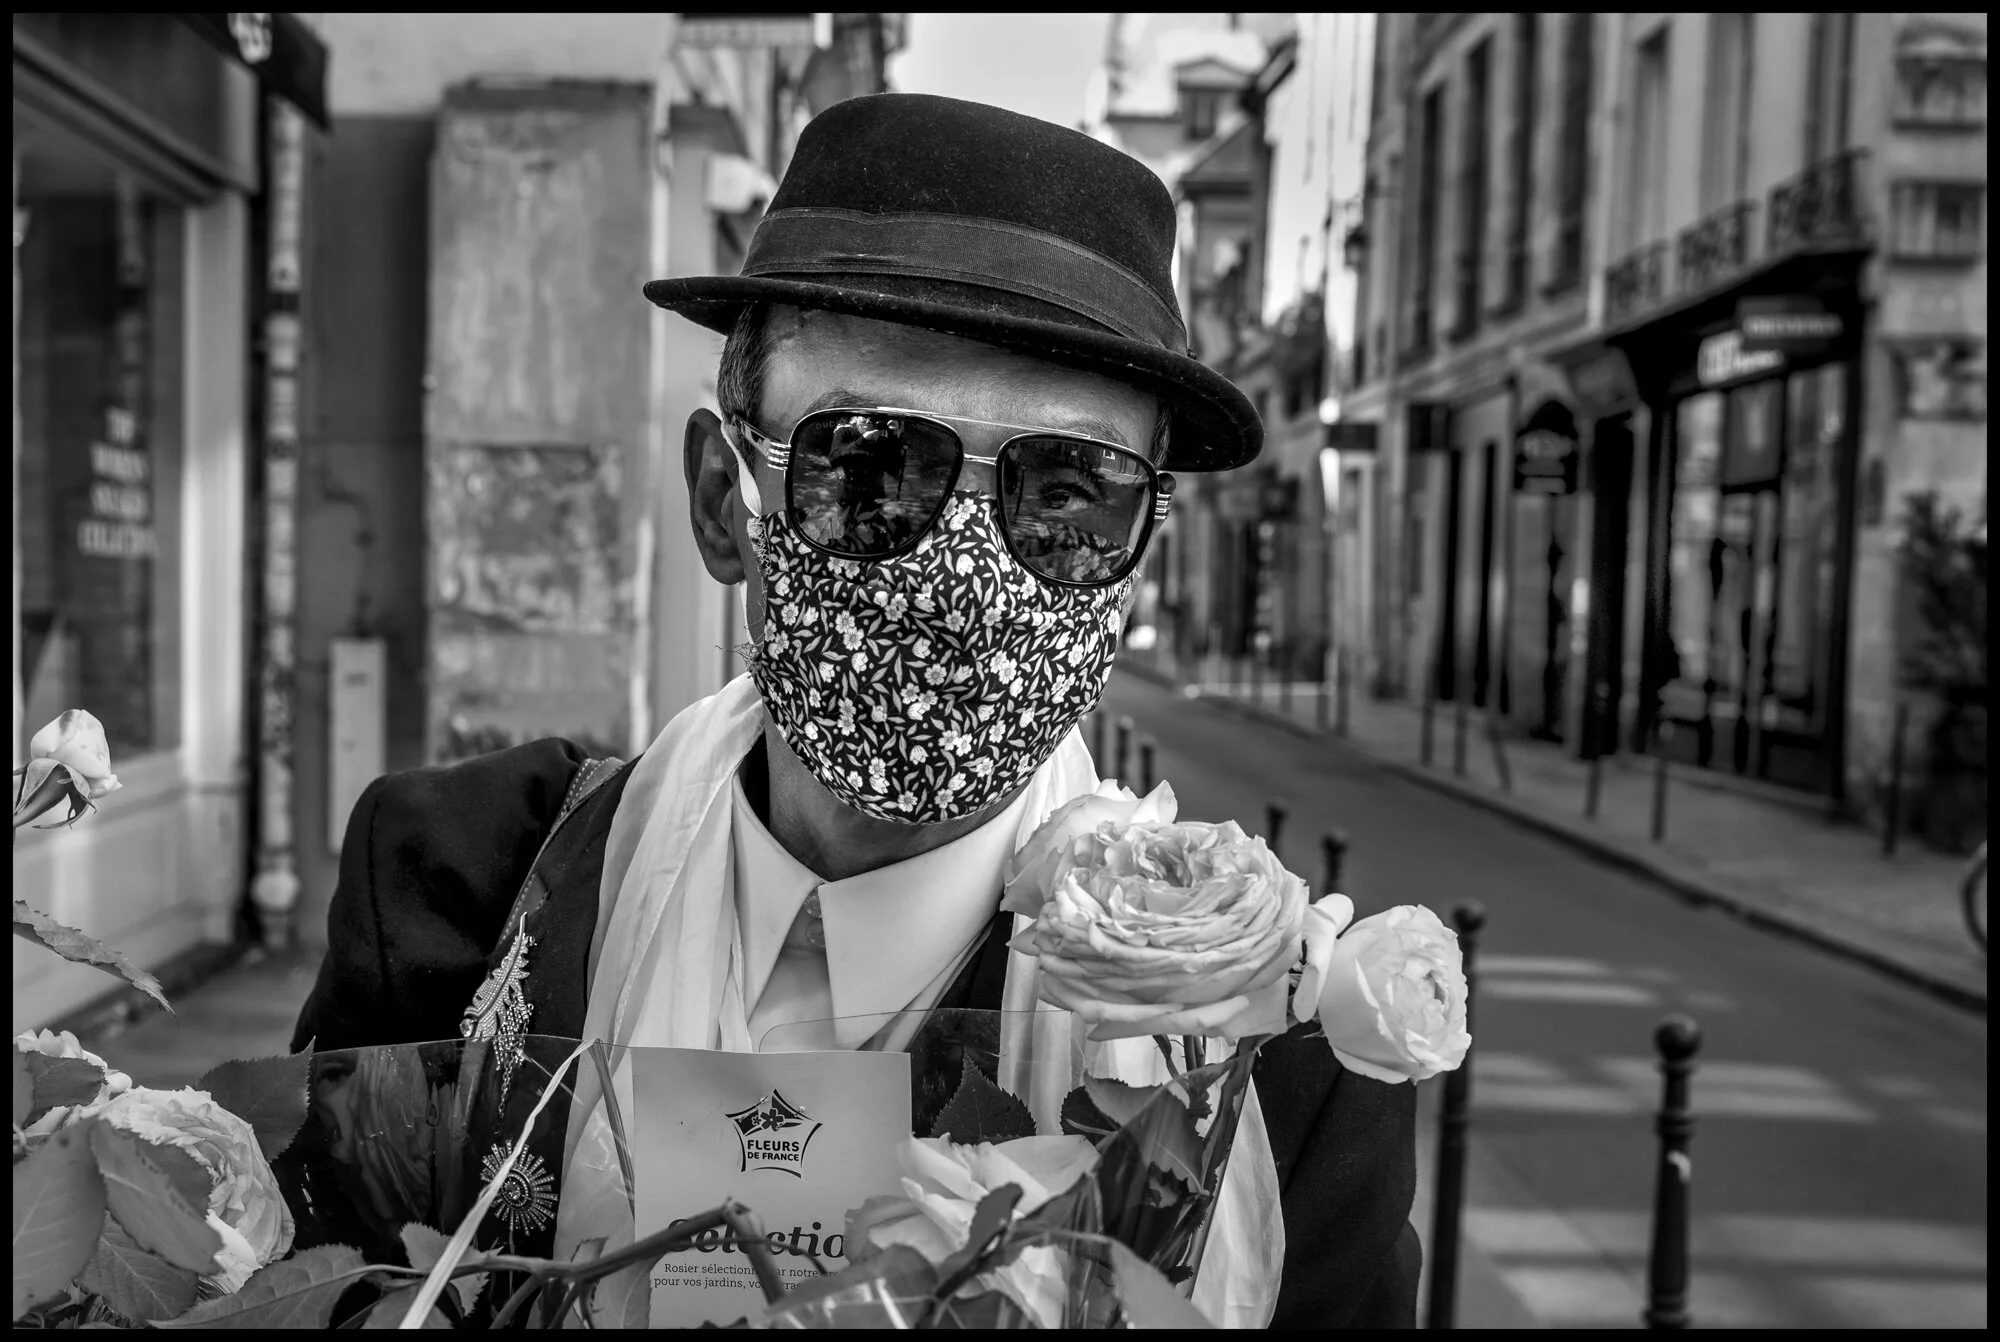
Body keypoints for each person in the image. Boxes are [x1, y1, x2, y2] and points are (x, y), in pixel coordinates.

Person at [291, 92, 1418, 1329]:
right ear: (727, 501)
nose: (966, 577)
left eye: (1069, 492)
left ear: (1136, 549)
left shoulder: (1271, 1056)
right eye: (870, 464)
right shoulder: (455, 889)